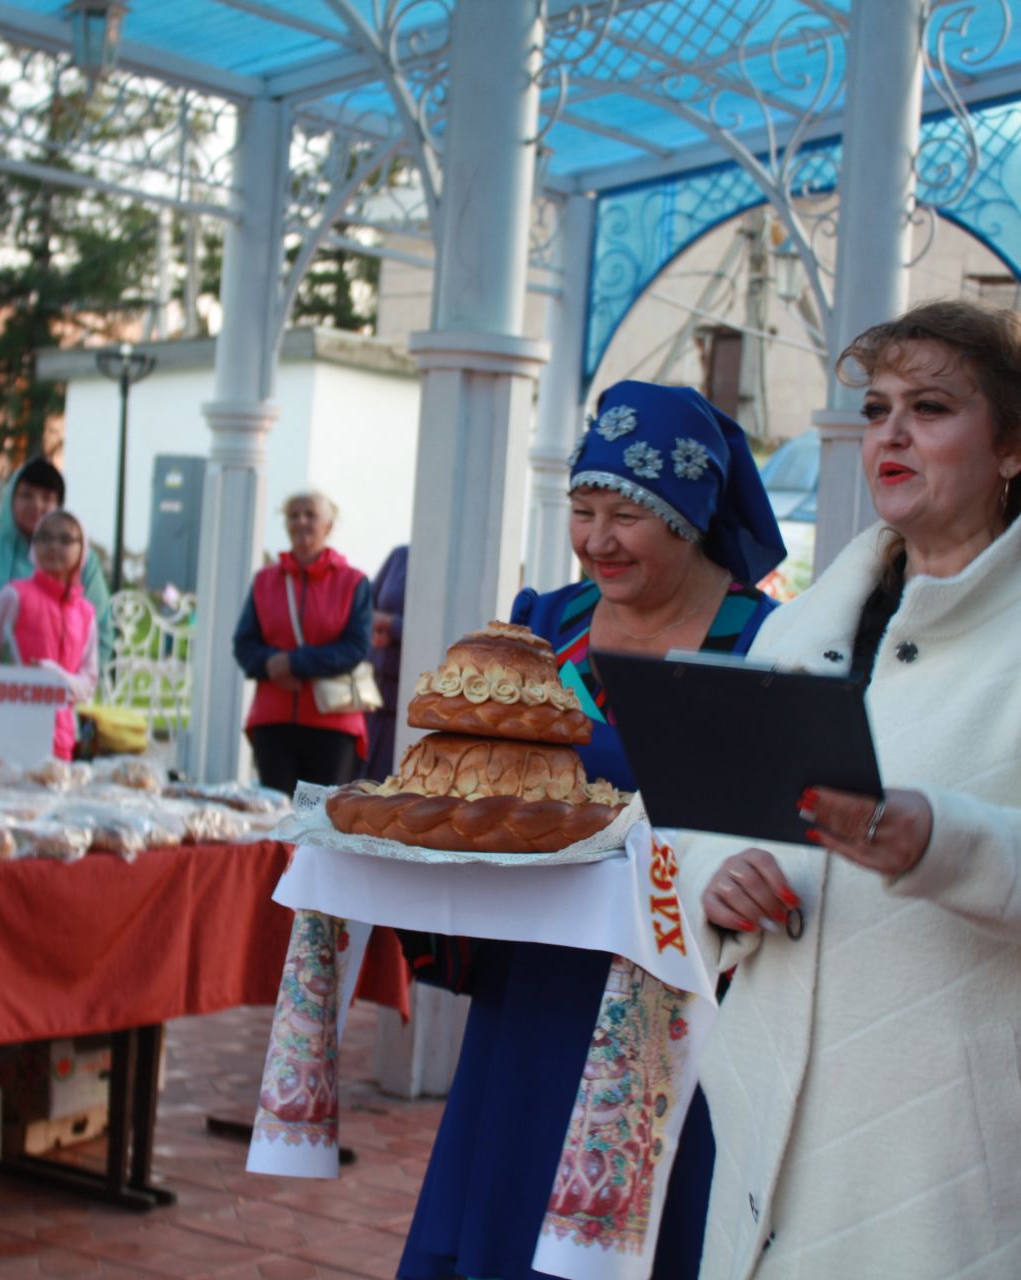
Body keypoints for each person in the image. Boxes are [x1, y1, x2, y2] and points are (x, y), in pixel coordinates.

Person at [680, 301, 1021, 1279]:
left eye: (931, 406)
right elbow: (706, 815)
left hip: (961, 1171)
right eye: (876, 408)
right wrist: (716, 875)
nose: (893, 432)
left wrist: (938, 841)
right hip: (776, 1137)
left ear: (1013, 446)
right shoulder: (801, 626)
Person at [398, 382, 785, 1280]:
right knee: (514, 1193)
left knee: (650, 1219)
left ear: (690, 519)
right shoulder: (543, 628)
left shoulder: (757, 642)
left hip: (678, 986)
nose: (597, 540)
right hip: (535, 978)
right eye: (582, 510)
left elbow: (776, 818)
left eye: (626, 516)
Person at [0, 457, 111, 761]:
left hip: (52, 721)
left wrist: (75, 687)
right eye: (26, 495)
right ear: (10, 497)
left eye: (47, 498)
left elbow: (99, 627)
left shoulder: (81, 562)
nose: (36, 505)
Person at [233, 491, 372, 793]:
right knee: (276, 817)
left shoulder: (354, 582)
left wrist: (294, 663)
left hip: (333, 723)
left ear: (329, 524)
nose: (301, 521)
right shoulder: (264, 581)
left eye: (310, 515)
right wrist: (270, 665)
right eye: (293, 515)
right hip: (274, 721)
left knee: (320, 823)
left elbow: (356, 647)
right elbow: (244, 644)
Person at [0, 510, 98, 763]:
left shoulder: (86, 614)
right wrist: (21, 684)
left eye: (64, 540)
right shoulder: (13, 596)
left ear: (82, 549)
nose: (53, 547)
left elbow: (88, 682)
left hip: (60, 741)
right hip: (6, 734)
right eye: (44, 538)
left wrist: (58, 679)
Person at [363, 543, 408, 780]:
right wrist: (374, 624)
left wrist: (392, 625)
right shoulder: (400, 556)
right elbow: (366, 603)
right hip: (374, 698)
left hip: (408, 703)